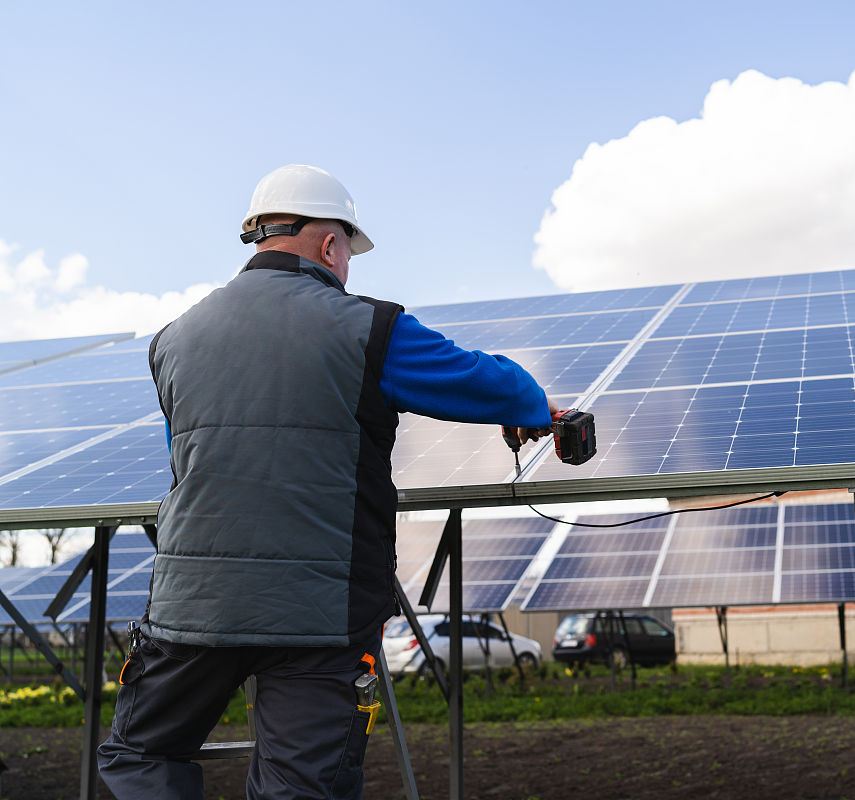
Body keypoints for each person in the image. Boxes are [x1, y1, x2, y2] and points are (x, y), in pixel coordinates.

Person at [97, 164, 556, 799]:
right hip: (320, 616)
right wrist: (532, 407)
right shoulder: (370, 329)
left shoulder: (173, 340)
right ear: (330, 244)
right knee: (302, 788)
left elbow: (188, 461)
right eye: (349, 255)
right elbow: (491, 384)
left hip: (191, 607)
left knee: (139, 755)